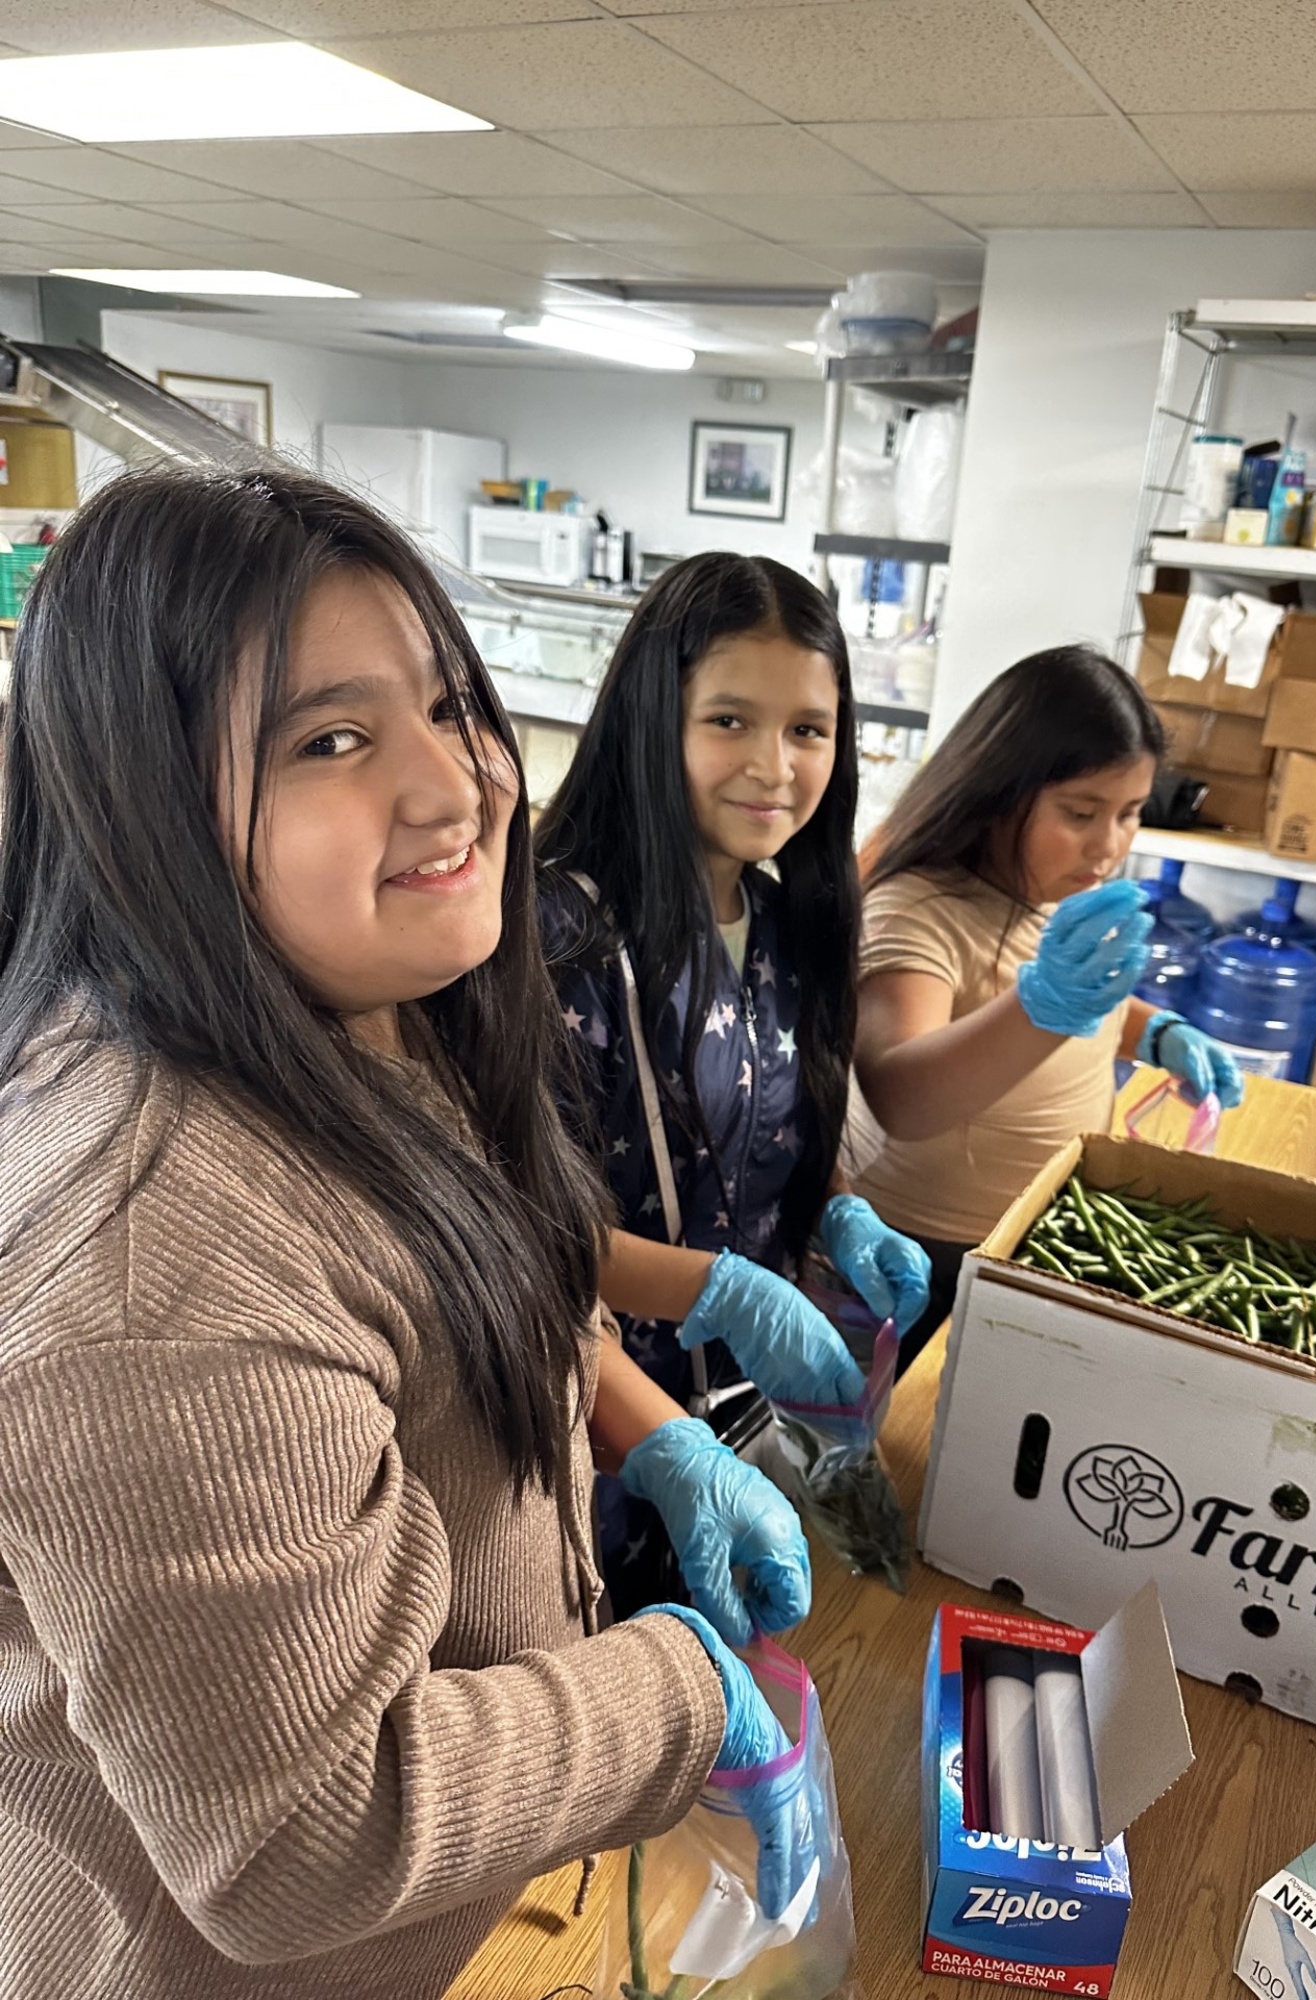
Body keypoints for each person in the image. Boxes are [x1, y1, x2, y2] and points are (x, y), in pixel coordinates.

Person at [0, 468, 816, 2000]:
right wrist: (678, 1695)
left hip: (454, 1920)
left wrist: (647, 1433)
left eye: (449, 709)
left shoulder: (355, 1012)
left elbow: (438, 1272)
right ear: (144, 802)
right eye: (331, 740)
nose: (460, 789)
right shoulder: (147, 1265)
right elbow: (309, 1833)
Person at [534, 553, 931, 1616]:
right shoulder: (565, 936)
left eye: (808, 728)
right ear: (649, 722)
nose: (774, 765)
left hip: (741, 1413)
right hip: (607, 1427)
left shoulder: (789, 922)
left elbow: (768, 1118)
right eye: (728, 721)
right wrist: (716, 1286)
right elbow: (522, 1229)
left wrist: (840, 1209)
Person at [853, 644, 1243, 1366]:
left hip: (1037, 1229)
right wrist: (1044, 1008)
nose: (1108, 845)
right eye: (1081, 812)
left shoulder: (1063, 889)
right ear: (1000, 791)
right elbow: (901, 1095)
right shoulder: (921, 908)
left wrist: (1153, 1031)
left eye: (1130, 813)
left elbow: (1085, 1014)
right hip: (925, 1257)